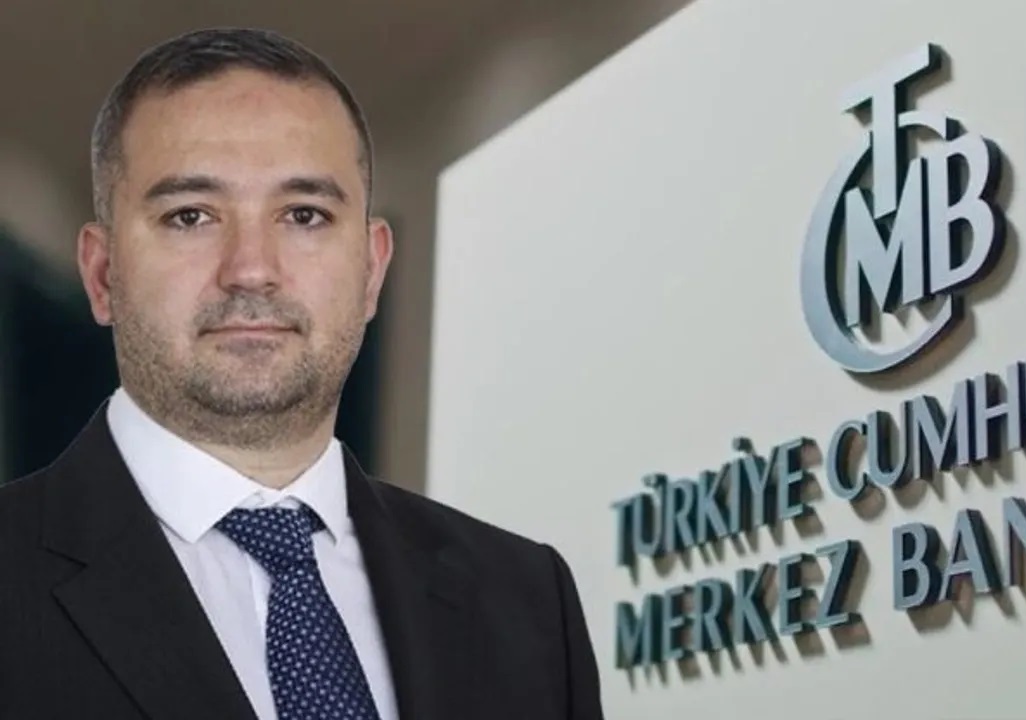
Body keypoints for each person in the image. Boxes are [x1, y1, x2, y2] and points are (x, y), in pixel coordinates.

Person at [0, 27, 604, 720]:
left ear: (372, 270)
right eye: (190, 216)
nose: (251, 269)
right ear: (103, 274)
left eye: (304, 215)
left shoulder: (527, 601)